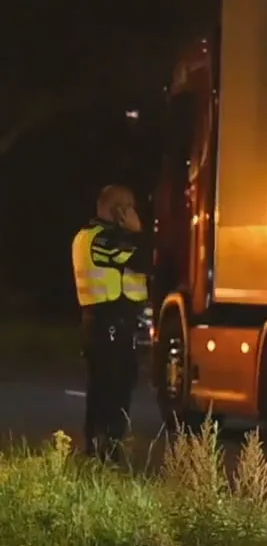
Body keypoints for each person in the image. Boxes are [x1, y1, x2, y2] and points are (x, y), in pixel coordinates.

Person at [72, 185, 150, 462]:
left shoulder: (96, 237)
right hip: (107, 323)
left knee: (110, 387)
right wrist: (137, 231)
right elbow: (144, 259)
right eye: (128, 207)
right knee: (110, 390)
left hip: (110, 323)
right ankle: (105, 452)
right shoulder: (101, 239)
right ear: (117, 210)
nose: (133, 212)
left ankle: (100, 451)